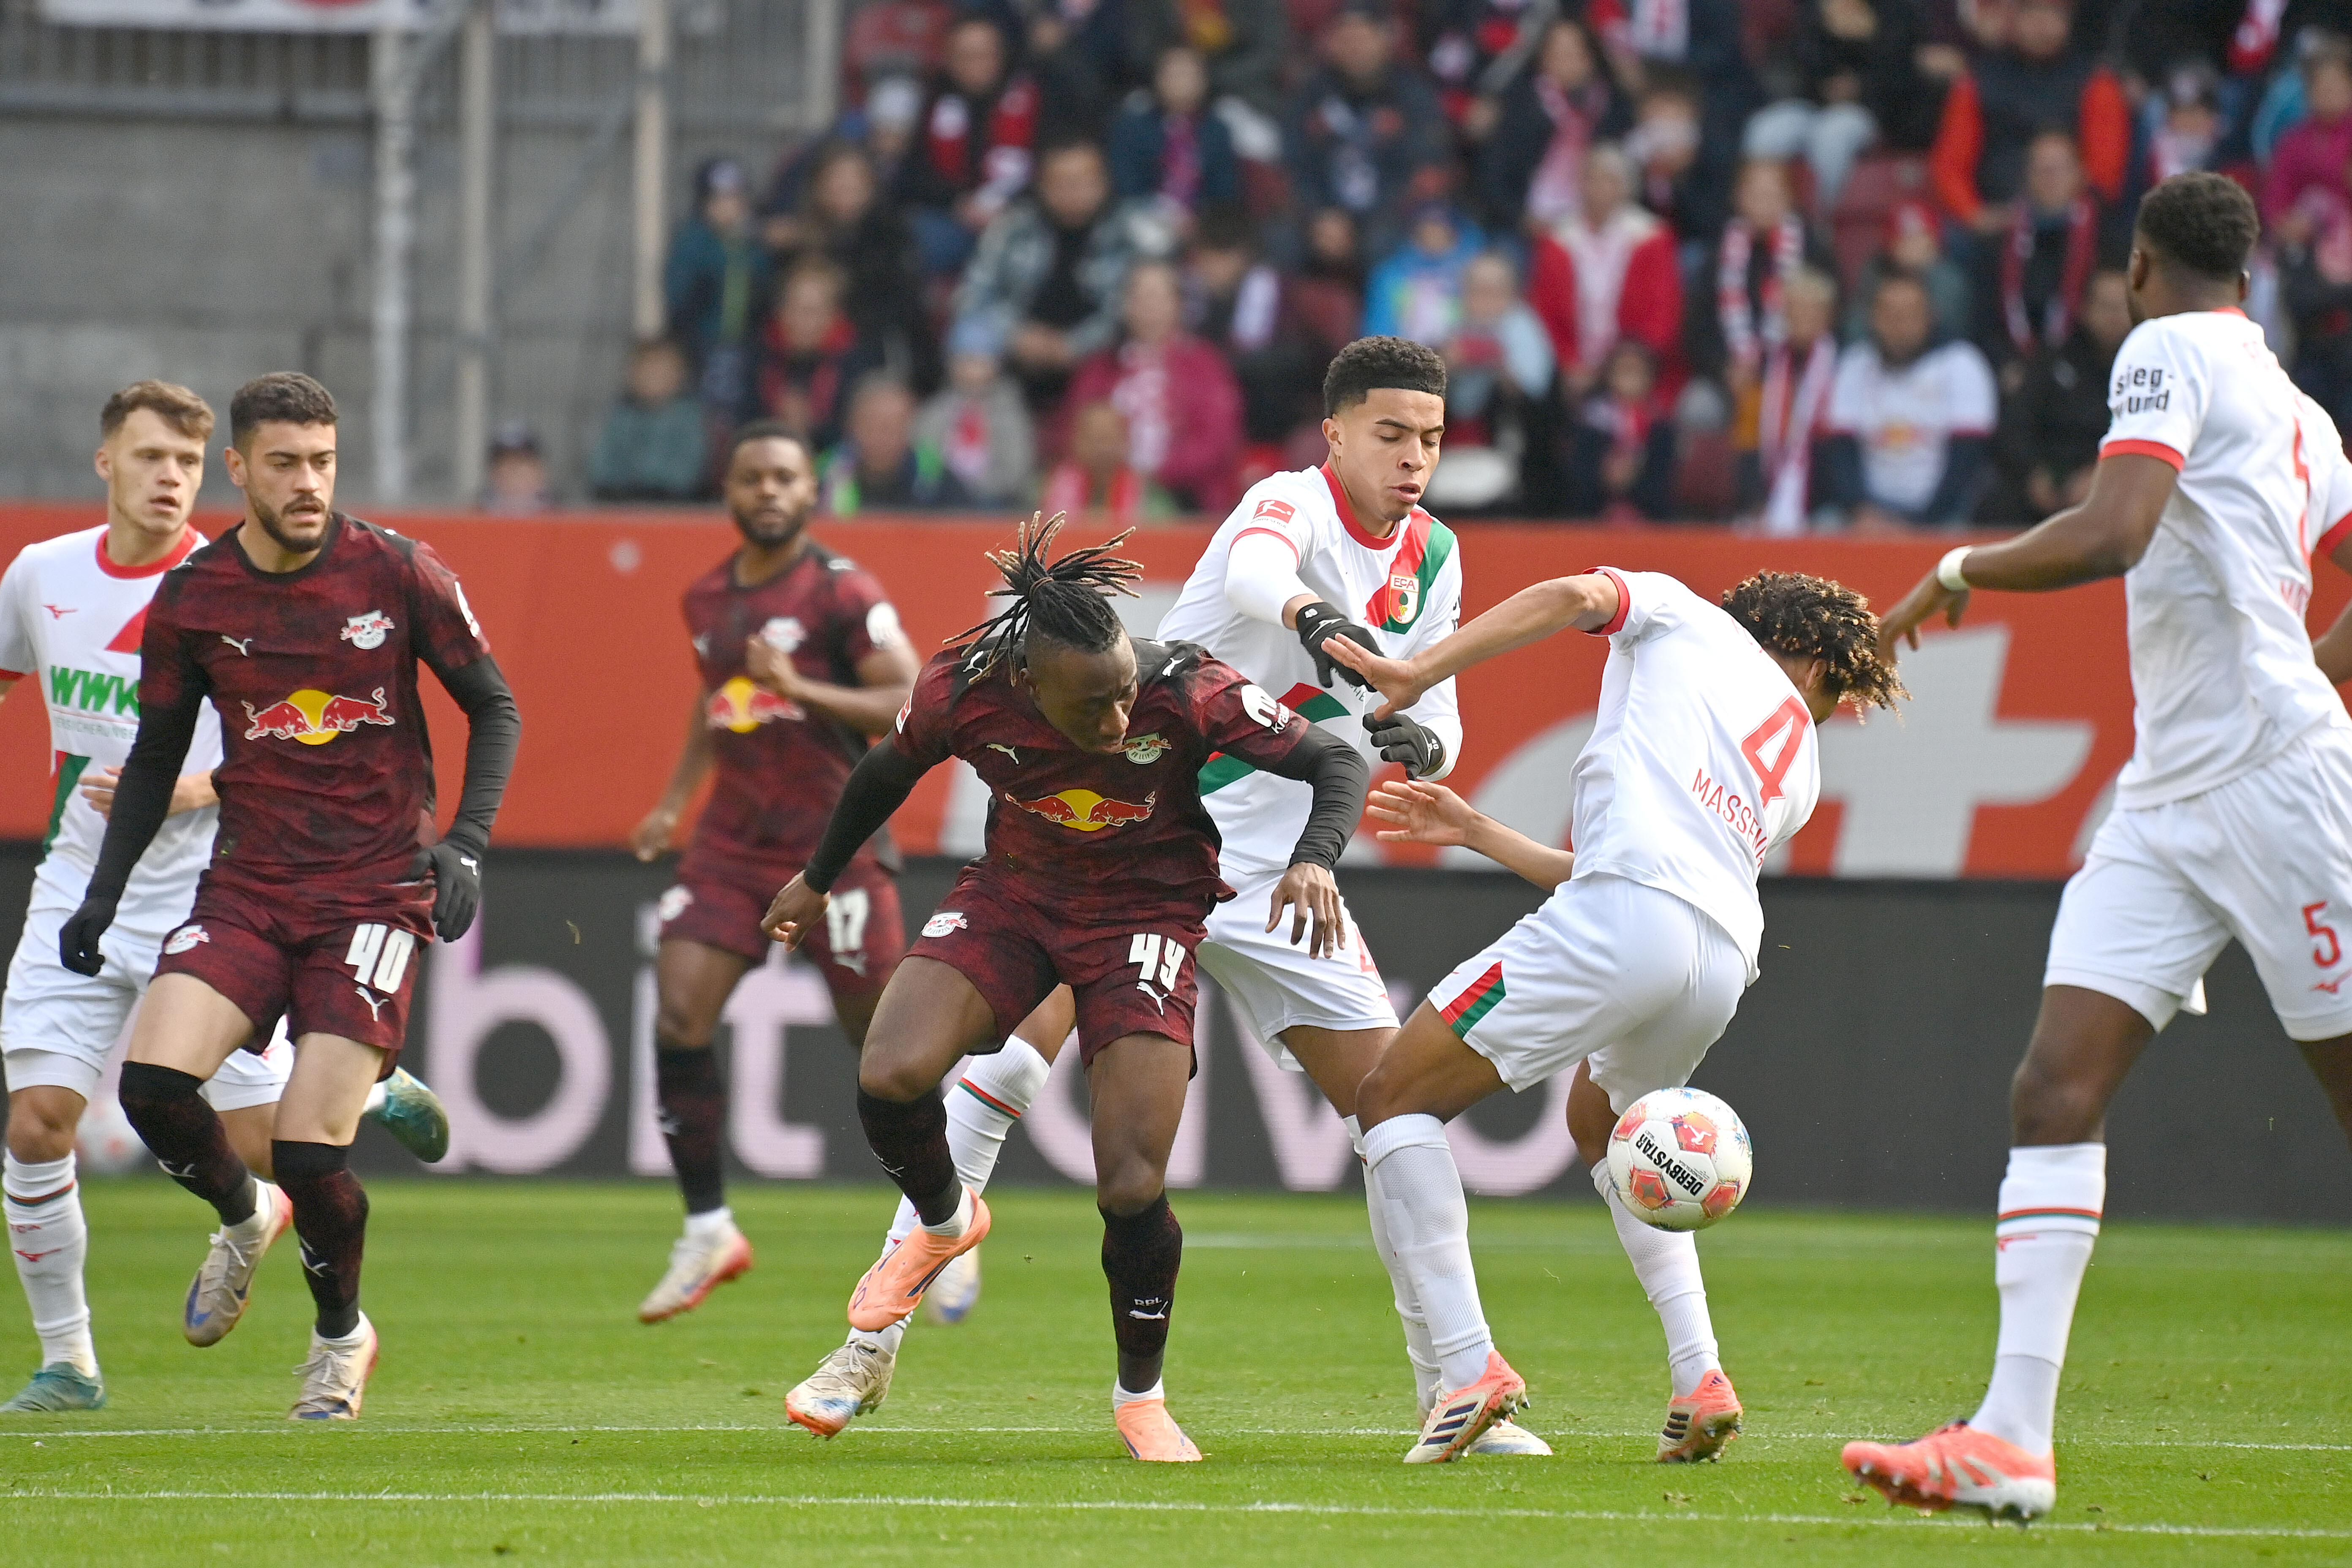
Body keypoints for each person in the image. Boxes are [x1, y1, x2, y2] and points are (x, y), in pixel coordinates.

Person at [784, 338, 1547, 1460]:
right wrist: (1321, 631)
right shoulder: (1282, 506)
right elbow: (1251, 581)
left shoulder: (1435, 556)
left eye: (1431, 439)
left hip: (1289, 874)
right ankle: (870, 1348)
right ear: (1335, 434)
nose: (1414, 459)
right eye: (1390, 434)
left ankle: (1459, 1385)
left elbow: (1440, 703)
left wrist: (1424, 731)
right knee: (997, 1056)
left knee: (1397, 1101)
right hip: (1138, 845)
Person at [1844, 171, 2352, 1523]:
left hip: (2280, 786)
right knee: (2051, 1089)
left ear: (2137, 267)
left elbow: (2114, 531)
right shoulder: (2298, 411)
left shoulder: (2162, 350)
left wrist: (1949, 577)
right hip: (2168, 796)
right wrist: (2302, 664)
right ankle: (2011, 1436)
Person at [765, 518, 1369, 1462]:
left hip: (1146, 916)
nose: (1120, 720)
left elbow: (1336, 762)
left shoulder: (1188, 685)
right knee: (890, 1071)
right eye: (1093, 707)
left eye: (1124, 691)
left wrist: (1315, 860)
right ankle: (943, 1223)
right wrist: (817, 873)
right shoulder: (966, 686)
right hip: (1014, 897)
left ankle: (1141, 1396)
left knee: (1130, 1181)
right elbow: (884, 770)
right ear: (1032, 686)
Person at [1323, 565, 1903, 1462]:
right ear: (1815, 662)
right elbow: (1633, 875)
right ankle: (1699, 1370)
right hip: (1718, 958)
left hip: (1634, 913)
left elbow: (1573, 599)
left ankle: (1469, 1365)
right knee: (1605, 1123)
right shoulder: (1800, 770)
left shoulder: (1685, 616)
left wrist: (1420, 670)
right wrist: (1480, 832)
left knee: (1391, 1099)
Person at [60, 372, 519, 1420]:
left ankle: (339, 1334)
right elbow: (152, 760)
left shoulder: (399, 572)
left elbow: (495, 708)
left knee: (315, 1148)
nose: (308, 483)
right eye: (284, 464)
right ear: (240, 469)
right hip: (251, 885)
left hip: (373, 891)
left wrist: (470, 845)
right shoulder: (196, 599)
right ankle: (238, 1213)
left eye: (322, 461)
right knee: (152, 1088)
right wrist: (101, 895)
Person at [627, 424, 920, 1322]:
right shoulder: (706, 595)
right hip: (729, 842)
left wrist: (802, 689)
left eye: (784, 477)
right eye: (752, 476)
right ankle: (708, 1224)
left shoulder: (841, 592)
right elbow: (716, 699)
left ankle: (936, 1217)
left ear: (809, 492)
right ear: (731, 490)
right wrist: (676, 798)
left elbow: (906, 699)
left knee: (890, 1053)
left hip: (833, 846)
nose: (767, 490)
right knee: (678, 1012)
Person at [952, 138, 1168, 413]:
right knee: (970, 340)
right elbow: (972, 293)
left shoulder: (1133, 233)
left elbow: (1136, 309)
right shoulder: (1013, 227)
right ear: (1042, 185)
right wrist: (1016, 335)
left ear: (1104, 181)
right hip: (1016, 356)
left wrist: (1072, 347)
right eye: (1062, 182)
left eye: (1083, 180)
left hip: (1105, 362)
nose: (1073, 191)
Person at [1927, 0, 2127, 238]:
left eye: (2053, 13)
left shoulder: (2096, 81)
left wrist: (2068, 209)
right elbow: (1950, 165)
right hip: (1994, 223)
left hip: (2073, 223)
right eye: (2031, 12)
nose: (2041, 25)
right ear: (2012, 18)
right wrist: (1976, 215)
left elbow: (2105, 173)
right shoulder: (1978, 80)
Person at [1059, 259, 1246, 513]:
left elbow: (1217, 442)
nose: (1149, 307)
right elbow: (1074, 428)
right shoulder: (1100, 367)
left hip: (1184, 495)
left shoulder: (1205, 366)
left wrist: (1154, 471)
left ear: (1179, 305)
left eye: (1158, 297)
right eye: (1139, 297)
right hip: (1104, 490)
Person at [1816, 272, 1996, 528]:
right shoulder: (1855, 365)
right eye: (1889, 315)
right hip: (1869, 514)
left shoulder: (1961, 364)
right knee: (1825, 525)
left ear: (1930, 317)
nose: (1899, 326)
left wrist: (1920, 524)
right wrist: (1861, 510)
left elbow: (1966, 461)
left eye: (1909, 315)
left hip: (1941, 514)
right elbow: (1841, 454)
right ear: (1872, 318)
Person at [1286, 1, 1452, 260]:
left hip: (1388, 215)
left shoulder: (1413, 93)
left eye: (1363, 37)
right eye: (1346, 38)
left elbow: (1425, 165)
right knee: (1283, 239)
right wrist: (1321, 214)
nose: (1355, 48)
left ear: (1385, 39)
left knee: (1382, 243)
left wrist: (1366, 221)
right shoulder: (1311, 92)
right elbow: (1294, 161)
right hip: (1326, 215)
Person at [1529, 142, 1684, 400]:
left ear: (1626, 186)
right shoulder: (1558, 240)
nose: (1599, 188)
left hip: (1633, 363)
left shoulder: (1651, 238)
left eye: (1609, 180)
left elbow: (1663, 310)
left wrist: (1627, 364)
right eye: (1592, 179)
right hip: (1569, 365)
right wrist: (1568, 362)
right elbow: (1544, 309)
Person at [1991, 266, 2131, 523]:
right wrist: (2032, 474)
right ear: (2085, 309)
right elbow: (2016, 424)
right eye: (2106, 307)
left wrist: (2100, 476)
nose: (2114, 317)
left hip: (2111, 485)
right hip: (2041, 482)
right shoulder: (2051, 361)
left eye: (2122, 307)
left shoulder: (2145, 373)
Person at [664, 158, 773, 426]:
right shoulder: (693, 241)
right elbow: (679, 293)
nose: (728, 208)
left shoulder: (749, 244)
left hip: (743, 342)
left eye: (735, 199)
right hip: (705, 341)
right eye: (719, 200)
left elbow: (762, 278)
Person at [1740, 266, 1840, 533]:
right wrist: (1756, 501)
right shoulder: (1764, 368)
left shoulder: (1844, 367)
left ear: (1828, 316)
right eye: (1795, 309)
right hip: (1767, 497)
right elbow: (1749, 440)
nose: (1802, 318)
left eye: (1812, 310)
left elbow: (1841, 447)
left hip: (1826, 501)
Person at [1108, 45, 1244, 221]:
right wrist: (1165, 215)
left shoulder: (1217, 131)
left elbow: (1224, 191)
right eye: (1173, 75)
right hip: (1143, 219)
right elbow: (1127, 185)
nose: (1181, 82)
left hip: (1201, 222)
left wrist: (1198, 219)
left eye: (1189, 74)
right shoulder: (1132, 127)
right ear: (1158, 79)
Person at [914, 317, 1039, 507]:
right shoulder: (935, 411)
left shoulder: (1010, 411)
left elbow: (1017, 469)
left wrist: (978, 489)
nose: (971, 370)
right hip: (943, 503)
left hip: (998, 503)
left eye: (980, 361)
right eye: (964, 361)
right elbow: (923, 456)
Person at [819, 374, 973, 515]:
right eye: (873, 425)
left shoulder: (935, 476)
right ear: (852, 426)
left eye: (896, 426)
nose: (884, 437)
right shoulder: (824, 475)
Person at [590, 340, 710, 502]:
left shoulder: (690, 417)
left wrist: (653, 483)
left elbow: (689, 471)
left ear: (680, 375)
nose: (653, 377)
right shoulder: (620, 416)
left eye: (661, 370)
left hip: (675, 505)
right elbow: (602, 467)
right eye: (647, 369)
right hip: (621, 503)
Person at [1037, 400, 1178, 523]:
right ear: (1075, 441)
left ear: (1127, 442)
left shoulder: (1148, 493)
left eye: (1110, 439)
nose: (1101, 448)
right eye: (1093, 439)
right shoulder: (1052, 485)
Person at [482, 423, 550, 514]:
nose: (514, 472)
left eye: (522, 462)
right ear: (493, 473)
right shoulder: (474, 518)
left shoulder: (562, 517)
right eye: (505, 463)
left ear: (539, 470)